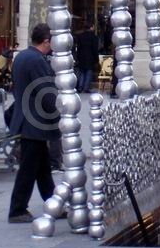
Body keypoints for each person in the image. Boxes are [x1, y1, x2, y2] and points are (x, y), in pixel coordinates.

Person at [8, 23, 61, 223]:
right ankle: (17, 209)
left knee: (42, 167)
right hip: (35, 122)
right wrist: (59, 110)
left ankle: (52, 202)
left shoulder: (22, 56)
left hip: (26, 119)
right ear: (47, 41)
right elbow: (46, 91)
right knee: (29, 169)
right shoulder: (37, 61)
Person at [74, 21, 100, 94]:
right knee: (89, 72)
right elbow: (95, 49)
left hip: (81, 57)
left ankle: (80, 87)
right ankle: (86, 88)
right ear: (91, 27)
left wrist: (77, 57)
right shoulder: (94, 37)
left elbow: (78, 48)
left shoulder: (80, 36)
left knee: (82, 72)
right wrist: (96, 59)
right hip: (90, 57)